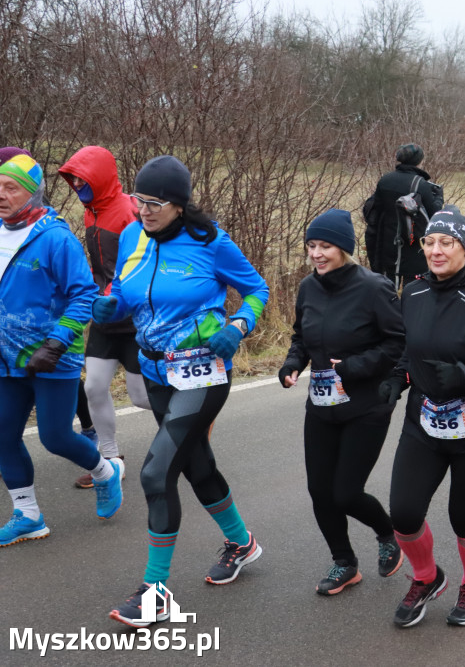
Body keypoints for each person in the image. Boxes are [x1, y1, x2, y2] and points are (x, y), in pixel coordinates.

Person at [100, 155, 269, 627]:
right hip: (155, 373)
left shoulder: (209, 241)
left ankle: (155, 592)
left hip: (202, 373)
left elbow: (257, 289)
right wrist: (111, 304)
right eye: (138, 200)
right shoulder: (133, 235)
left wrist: (239, 323)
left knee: (156, 475)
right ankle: (242, 543)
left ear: (178, 205)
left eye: (155, 203)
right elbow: (124, 288)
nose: (144, 211)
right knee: (196, 465)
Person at [383, 206, 465, 628]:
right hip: (424, 420)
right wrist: (397, 379)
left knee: (464, 517)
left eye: (447, 242)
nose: (436, 250)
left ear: (464, 248)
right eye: (429, 242)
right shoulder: (414, 292)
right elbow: (410, 348)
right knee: (403, 513)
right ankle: (427, 577)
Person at [278, 209, 406, 595]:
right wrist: (292, 363)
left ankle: (387, 534)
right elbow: (301, 336)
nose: (316, 253)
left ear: (345, 249)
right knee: (320, 490)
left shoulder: (374, 287)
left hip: (366, 405)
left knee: (346, 492)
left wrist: (354, 366)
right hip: (322, 405)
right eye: (312, 245)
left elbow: (397, 343)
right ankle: (344, 563)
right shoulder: (307, 288)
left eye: (326, 246)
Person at [0, 154, 125, 548]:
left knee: (55, 437)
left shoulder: (54, 237)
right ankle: (28, 516)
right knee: (3, 436)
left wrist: (55, 345)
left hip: (52, 356)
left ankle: (106, 473)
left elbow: (84, 295)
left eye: (10, 187)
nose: (1, 195)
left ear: (32, 191)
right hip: (6, 357)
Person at [59, 146, 152, 489]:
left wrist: (116, 295)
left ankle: (188, 430)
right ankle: (111, 460)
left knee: (142, 396)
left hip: (133, 320)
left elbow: (139, 263)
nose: (78, 185)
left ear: (100, 176)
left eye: (83, 179)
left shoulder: (129, 211)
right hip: (103, 318)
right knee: (94, 387)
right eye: (74, 180)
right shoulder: (90, 212)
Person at [364, 143, 443, 289]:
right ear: (419, 161)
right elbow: (434, 215)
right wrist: (439, 197)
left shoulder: (385, 180)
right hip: (413, 243)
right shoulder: (421, 184)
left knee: (387, 288)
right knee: (412, 289)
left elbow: (376, 208)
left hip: (387, 241)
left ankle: (388, 309)